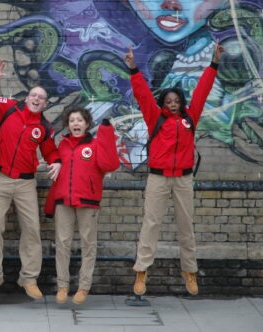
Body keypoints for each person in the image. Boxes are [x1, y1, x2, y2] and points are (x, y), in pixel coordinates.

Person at [124, 42, 224, 296]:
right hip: (158, 179)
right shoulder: (154, 117)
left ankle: (189, 272)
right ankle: (142, 271)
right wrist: (134, 69)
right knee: (151, 224)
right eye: (168, 100)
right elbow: (142, 94)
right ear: (163, 103)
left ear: (181, 103)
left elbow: (202, 90)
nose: (172, 103)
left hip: (183, 179)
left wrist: (214, 63)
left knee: (185, 226)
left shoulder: (190, 118)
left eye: (176, 100)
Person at [0, 58, 62, 300]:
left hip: (26, 183)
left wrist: (56, 161)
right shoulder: (9, 108)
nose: (36, 99)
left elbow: (51, 151)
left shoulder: (44, 128)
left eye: (41, 98)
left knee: (32, 229)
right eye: (33, 95)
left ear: (45, 104)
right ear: (27, 98)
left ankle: (29, 278)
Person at [44, 107, 120, 305]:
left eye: (79, 120)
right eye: (72, 120)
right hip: (64, 202)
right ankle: (62, 286)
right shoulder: (62, 145)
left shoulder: (95, 145)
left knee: (88, 246)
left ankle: (84, 287)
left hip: (88, 201)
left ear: (87, 124)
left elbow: (110, 164)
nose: (75, 123)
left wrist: (107, 133)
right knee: (62, 245)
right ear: (67, 125)